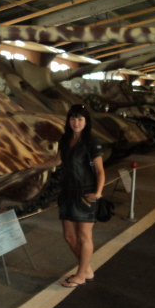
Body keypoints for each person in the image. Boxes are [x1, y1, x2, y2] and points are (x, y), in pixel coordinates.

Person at [57, 104, 105, 288]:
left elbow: (100, 171)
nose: (76, 122)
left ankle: (80, 275)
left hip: (85, 193)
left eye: (80, 119)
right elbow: (57, 160)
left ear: (86, 122)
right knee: (69, 236)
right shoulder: (65, 139)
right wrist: (35, 165)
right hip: (67, 192)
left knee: (84, 236)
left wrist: (98, 193)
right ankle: (86, 270)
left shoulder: (91, 142)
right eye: (73, 118)